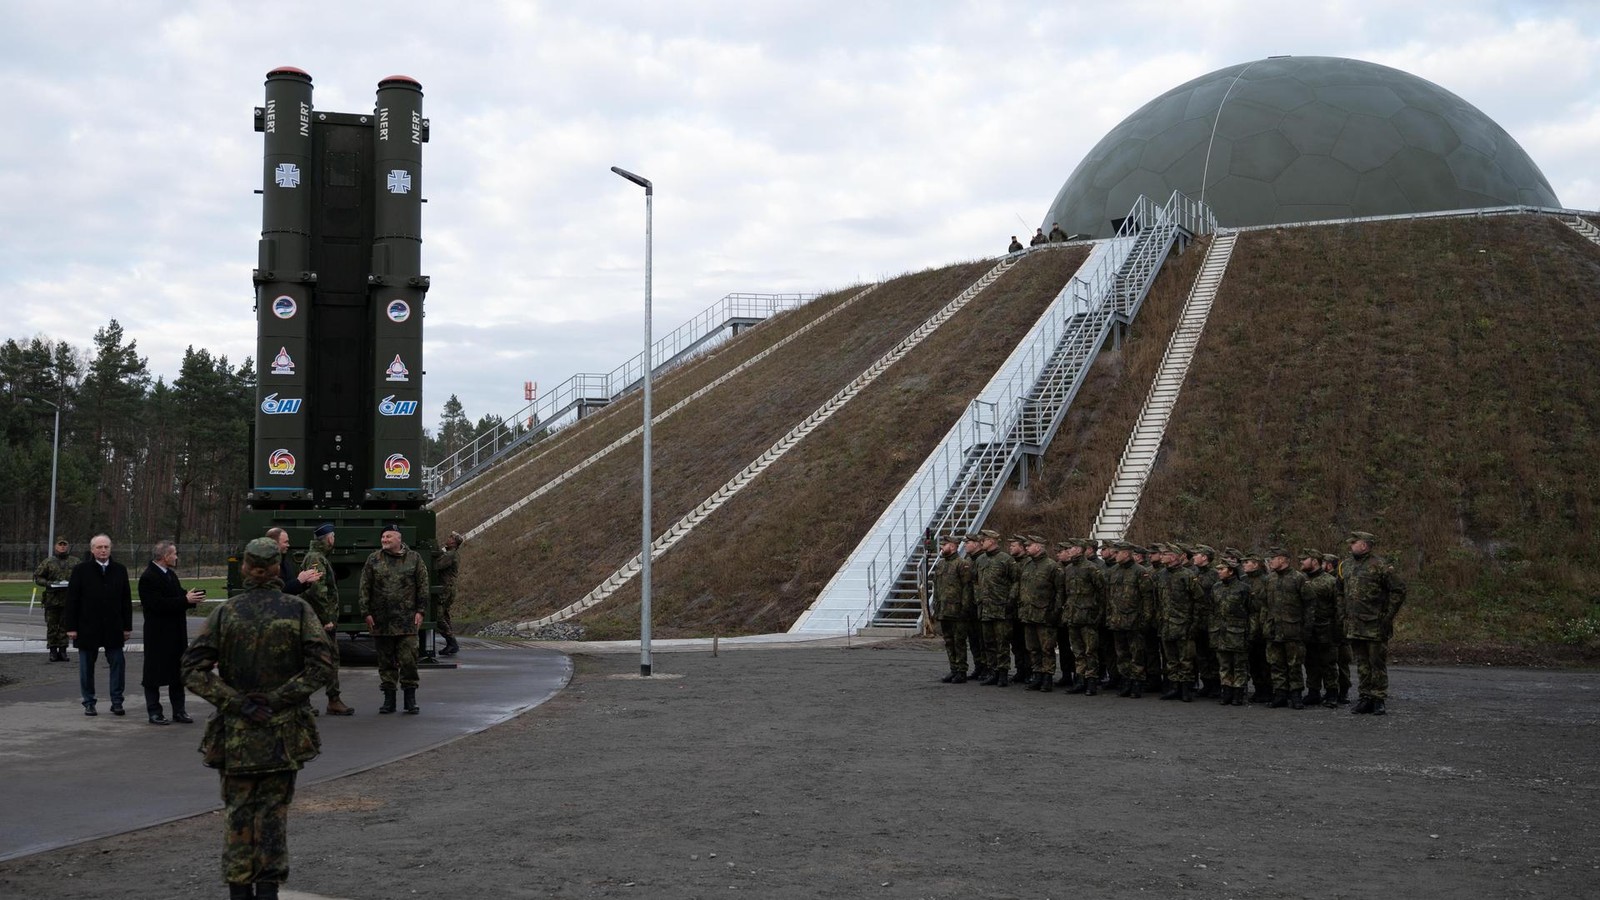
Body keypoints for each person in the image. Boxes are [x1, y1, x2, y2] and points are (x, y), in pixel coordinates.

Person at [182, 537, 333, 900]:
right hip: (284, 735)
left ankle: (239, 889)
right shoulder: (297, 611)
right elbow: (321, 666)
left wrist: (236, 702)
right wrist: (280, 699)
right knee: (273, 817)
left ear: (246, 568)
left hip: (237, 736)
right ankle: (268, 890)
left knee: (237, 815)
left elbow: (192, 670)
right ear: (278, 570)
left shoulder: (226, 613)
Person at [360, 523, 428, 714]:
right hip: (382, 620)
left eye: (388, 537)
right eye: (383, 537)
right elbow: (365, 587)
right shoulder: (374, 559)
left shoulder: (414, 558)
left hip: (407, 620)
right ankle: (389, 699)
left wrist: (420, 611)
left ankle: (410, 699)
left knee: (409, 660)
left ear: (399, 538)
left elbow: (422, 586)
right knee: (385, 662)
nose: (384, 540)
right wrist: (366, 613)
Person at [63, 534, 133, 716]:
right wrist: (71, 627)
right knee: (87, 667)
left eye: (106, 547)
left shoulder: (120, 570)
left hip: (113, 627)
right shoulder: (81, 570)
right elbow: (72, 600)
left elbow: (126, 600)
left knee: (118, 663)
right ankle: (89, 702)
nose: (103, 550)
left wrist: (127, 627)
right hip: (87, 627)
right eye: (99, 547)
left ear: (111, 549)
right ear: (92, 549)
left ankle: (117, 701)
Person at [138, 540, 204, 725]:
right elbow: (156, 605)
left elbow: (178, 596)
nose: (176, 557)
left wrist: (192, 598)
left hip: (175, 634)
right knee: (154, 674)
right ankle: (154, 711)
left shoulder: (171, 575)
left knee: (177, 673)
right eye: (174, 553)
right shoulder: (148, 577)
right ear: (165, 556)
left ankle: (179, 710)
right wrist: (185, 599)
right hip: (158, 635)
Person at [1341, 531, 1406, 715]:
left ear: (1364, 545)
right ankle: (1365, 697)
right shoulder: (1346, 565)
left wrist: (1388, 615)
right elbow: (1340, 591)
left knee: (1376, 662)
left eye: (1354, 542)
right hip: (1354, 624)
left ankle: (1378, 698)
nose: (1351, 545)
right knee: (1361, 662)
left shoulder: (1380, 566)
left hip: (1375, 624)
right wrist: (1342, 614)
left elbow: (1399, 590)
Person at [301, 524, 354, 716]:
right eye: (334, 537)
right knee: (316, 661)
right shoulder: (316, 558)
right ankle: (306, 701)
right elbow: (317, 590)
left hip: (320, 619)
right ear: (329, 538)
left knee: (330, 659)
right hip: (319, 621)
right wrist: (326, 618)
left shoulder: (319, 557)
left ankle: (333, 699)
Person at [1104, 541, 1153, 698]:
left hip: (1134, 620)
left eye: (1117, 552)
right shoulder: (1113, 571)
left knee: (1137, 653)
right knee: (1121, 653)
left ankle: (1137, 682)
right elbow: (1109, 596)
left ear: (1126, 553)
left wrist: (1146, 618)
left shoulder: (1140, 572)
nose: (1114, 555)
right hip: (1117, 620)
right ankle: (1125, 681)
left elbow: (1147, 597)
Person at [1155, 543, 1203, 701]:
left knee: (1186, 659)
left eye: (1166, 554)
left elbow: (1198, 600)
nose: (1162, 556)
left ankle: (1186, 689)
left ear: (1175, 556)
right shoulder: (1161, 574)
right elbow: (1157, 600)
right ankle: (1174, 687)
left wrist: (1194, 624)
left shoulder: (1187, 575)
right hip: (1166, 623)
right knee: (1171, 659)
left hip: (1183, 624)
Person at [1056, 539, 1105, 695]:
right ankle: (1080, 679)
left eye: (1072, 548)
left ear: (1080, 550)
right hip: (1073, 616)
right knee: (1077, 651)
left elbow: (1102, 592)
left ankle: (1092, 681)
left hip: (1088, 616)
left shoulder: (1092, 568)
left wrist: (1098, 613)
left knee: (1090, 651)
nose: (1069, 550)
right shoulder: (1069, 569)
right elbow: (1065, 594)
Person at [1262, 548, 1310, 709]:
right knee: (1276, 663)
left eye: (1273, 559)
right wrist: (1264, 624)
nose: (1270, 562)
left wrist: (1307, 628)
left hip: (1293, 629)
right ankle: (1280, 694)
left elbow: (1309, 604)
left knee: (1294, 664)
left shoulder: (1298, 578)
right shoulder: (1270, 579)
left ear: (1282, 559)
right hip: (1274, 629)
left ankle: (1296, 694)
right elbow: (1264, 604)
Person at [972, 530, 1018, 686]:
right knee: (988, 643)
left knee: (1002, 643)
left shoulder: (1006, 560)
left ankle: (1003, 673)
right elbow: (976, 582)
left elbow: (1015, 582)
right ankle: (993, 672)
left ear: (992, 541)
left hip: (1001, 608)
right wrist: (978, 598)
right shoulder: (980, 560)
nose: (981, 542)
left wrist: (1010, 601)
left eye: (983, 540)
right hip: (985, 608)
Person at [1016, 536, 1060, 692]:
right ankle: (1037, 675)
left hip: (1044, 615)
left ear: (1039, 547)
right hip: (1028, 614)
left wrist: (1054, 612)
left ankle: (1047, 677)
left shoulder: (1052, 566)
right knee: (1032, 647)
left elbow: (1059, 592)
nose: (1026, 547)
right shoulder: (1027, 565)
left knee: (1046, 648)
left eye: (1030, 545)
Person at [1300, 549, 1341, 708]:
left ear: (1315, 561)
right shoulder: (1301, 579)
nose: (1301, 562)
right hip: (1308, 628)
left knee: (1329, 662)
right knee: (1310, 662)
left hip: (1326, 628)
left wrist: (1338, 630)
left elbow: (1338, 606)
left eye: (1305, 559)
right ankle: (1313, 692)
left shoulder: (1330, 581)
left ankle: (1332, 693)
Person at [930, 535, 973, 683]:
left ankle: (961, 670)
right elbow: (937, 587)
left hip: (957, 610)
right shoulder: (941, 564)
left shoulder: (962, 564)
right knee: (948, 641)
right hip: (943, 610)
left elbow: (967, 588)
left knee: (959, 641)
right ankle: (953, 669)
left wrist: (965, 608)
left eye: (944, 545)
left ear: (953, 546)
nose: (941, 547)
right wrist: (936, 605)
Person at [1209, 559, 1251, 706]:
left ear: (1231, 571)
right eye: (1218, 569)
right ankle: (1226, 692)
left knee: (1239, 664)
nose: (1219, 572)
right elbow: (1212, 609)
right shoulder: (1216, 587)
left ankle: (1238, 693)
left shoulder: (1243, 588)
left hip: (1238, 632)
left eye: (1222, 569)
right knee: (1224, 664)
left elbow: (1250, 610)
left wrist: (1250, 631)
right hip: (1220, 632)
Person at [33, 536, 78, 661]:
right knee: (52, 626)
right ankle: (53, 651)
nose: (62, 547)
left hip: (68, 599)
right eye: (60, 545)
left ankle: (63, 650)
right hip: (52, 599)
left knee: (65, 626)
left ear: (67, 546)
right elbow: (38, 577)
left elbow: (81, 577)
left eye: (64, 545)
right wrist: (48, 583)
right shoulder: (48, 562)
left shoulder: (75, 562)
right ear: (56, 547)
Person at [266, 527, 322, 597]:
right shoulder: (266, 566)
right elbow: (277, 592)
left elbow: (291, 589)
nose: (288, 545)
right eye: (285, 542)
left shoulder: (285, 563)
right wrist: (298, 581)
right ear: (275, 543)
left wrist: (305, 582)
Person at [433, 531, 464, 656]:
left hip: (445, 589)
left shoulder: (451, 555)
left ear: (454, 543)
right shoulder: (450, 554)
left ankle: (452, 642)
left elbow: (437, 565)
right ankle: (451, 644)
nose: (448, 538)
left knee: (438, 615)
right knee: (444, 615)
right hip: (448, 589)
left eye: (451, 537)